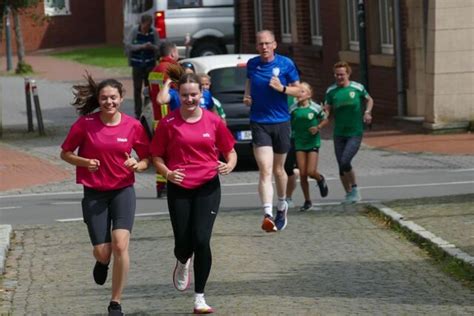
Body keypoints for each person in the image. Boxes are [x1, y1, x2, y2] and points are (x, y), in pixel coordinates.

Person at [60, 75, 150, 316]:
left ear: (121, 98)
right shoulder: (85, 124)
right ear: (98, 100)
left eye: (113, 97)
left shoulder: (133, 126)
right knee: (103, 251)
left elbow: (146, 158)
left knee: (121, 244)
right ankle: (102, 262)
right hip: (94, 193)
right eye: (104, 98)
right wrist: (84, 161)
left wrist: (137, 165)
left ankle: (115, 302)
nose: (109, 102)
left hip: (122, 190)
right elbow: (65, 153)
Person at [150, 73, 237, 314]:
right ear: (178, 94)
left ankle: (200, 297)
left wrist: (229, 164)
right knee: (183, 242)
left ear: (202, 94)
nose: (190, 99)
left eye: (194, 94)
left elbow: (230, 151)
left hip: (208, 185)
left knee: (201, 239)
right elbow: (156, 156)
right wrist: (167, 173)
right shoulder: (168, 123)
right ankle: (181, 259)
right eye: (185, 94)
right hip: (179, 186)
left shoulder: (213, 121)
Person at [244, 29, 301, 232]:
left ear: (274, 44)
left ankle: (282, 204)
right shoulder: (252, 64)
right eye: (260, 44)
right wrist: (247, 96)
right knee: (265, 170)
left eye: (267, 43)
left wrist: (283, 89)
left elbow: (300, 90)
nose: (264, 47)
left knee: (279, 170)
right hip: (259, 122)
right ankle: (267, 214)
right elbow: (250, 82)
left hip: (281, 122)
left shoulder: (286, 64)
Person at [324, 61, 374, 204]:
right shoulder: (331, 91)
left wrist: (367, 112)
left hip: (355, 132)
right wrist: (324, 114)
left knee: (346, 161)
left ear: (348, 74)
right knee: (341, 165)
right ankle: (348, 194)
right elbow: (327, 108)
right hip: (339, 133)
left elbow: (369, 100)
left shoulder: (357, 88)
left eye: (342, 74)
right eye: (336, 75)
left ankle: (355, 189)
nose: (339, 77)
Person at [289, 82, 329, 211]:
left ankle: (320, 178)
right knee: (303, 173)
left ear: (309, 94)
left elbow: (325, 119)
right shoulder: (293, 108)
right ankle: (307, 200)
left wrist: (318, 127)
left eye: (302, 91)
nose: (299, 94)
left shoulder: (315, 108)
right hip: (299, 142)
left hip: (312, 142)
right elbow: (287, 122)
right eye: (298, 91)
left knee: (311, 171)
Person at [148, 41, 180, 198]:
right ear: (173, 52)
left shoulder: (154, 70)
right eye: (177, 52)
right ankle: (170, 184)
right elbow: (180, 93)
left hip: (157, 118)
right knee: (172, 154)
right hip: (170, 118)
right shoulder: (172, 68)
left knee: (159, 154)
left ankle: (161, 186)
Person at [124, 14, 160, 119]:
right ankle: (137, 111)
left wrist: (151, 46)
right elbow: (128, 45)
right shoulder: (135, 31)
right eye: (146, 25)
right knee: (137, 88)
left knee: (149, 88)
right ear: (142, 23)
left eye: (149, 25)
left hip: (150, 64)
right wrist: (142, 46)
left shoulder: (154, 32)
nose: (147, 28)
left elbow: (158, 46)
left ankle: (147, 109)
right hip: (137, 64)